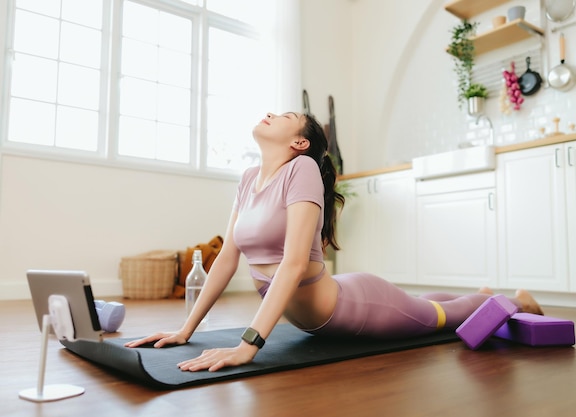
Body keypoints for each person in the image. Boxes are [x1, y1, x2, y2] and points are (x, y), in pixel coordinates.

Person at [125, 111, 543, 371]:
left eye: (285, 115)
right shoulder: (250, 179)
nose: (270, 113)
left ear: (299, 143)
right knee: (420, 305)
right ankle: (479, 293)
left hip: (353, 308)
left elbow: (290, 266)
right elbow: (227, 260)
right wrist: (186, 328)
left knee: (437, 319)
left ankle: (514, 302)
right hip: (323, 314)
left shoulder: (301, 170)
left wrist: (248, 345)